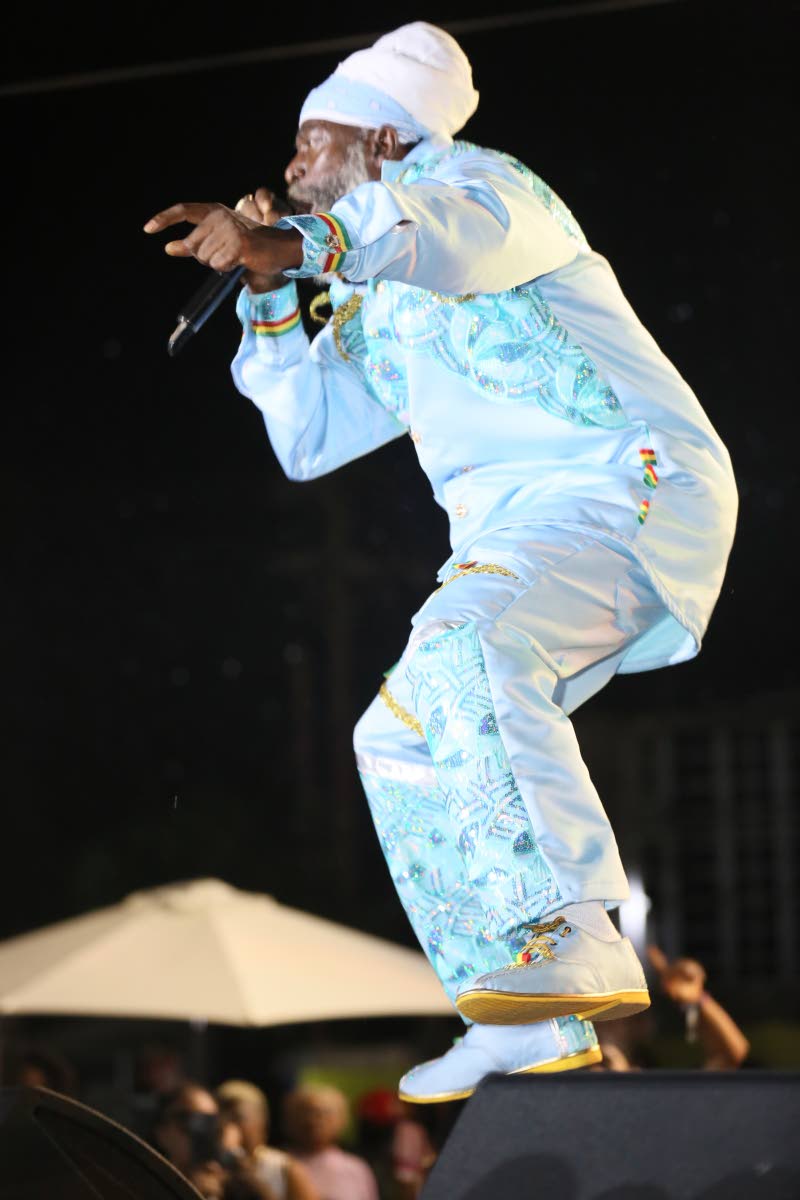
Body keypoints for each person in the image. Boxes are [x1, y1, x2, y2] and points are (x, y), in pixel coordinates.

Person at [145, 21, 737, 1103]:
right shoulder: (383, 290)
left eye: (307, 142)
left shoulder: (488, 191)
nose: (286, 170)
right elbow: (308, 436)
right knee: (397, 731)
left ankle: (575, 931)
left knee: (463, 647)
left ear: (380, 137)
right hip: (522, 529)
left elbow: (431, 235)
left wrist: (288, 245)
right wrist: (274, 290)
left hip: (621, 484)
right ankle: (525, 1014)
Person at [216, 1078, 319, 1200]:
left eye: (237, 1118)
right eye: (220, 1118)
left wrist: (236, 1158)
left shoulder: (284, 1169)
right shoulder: (210, 1167)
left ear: (262, 1122)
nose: (227, 1126)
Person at [283, 1084, 379, 1200]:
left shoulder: (356, 1168)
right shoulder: (276, 1164)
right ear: (289, 1119)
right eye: (305, 1112)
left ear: (342, 1120)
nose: (313, 1121)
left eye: (323, 1113)